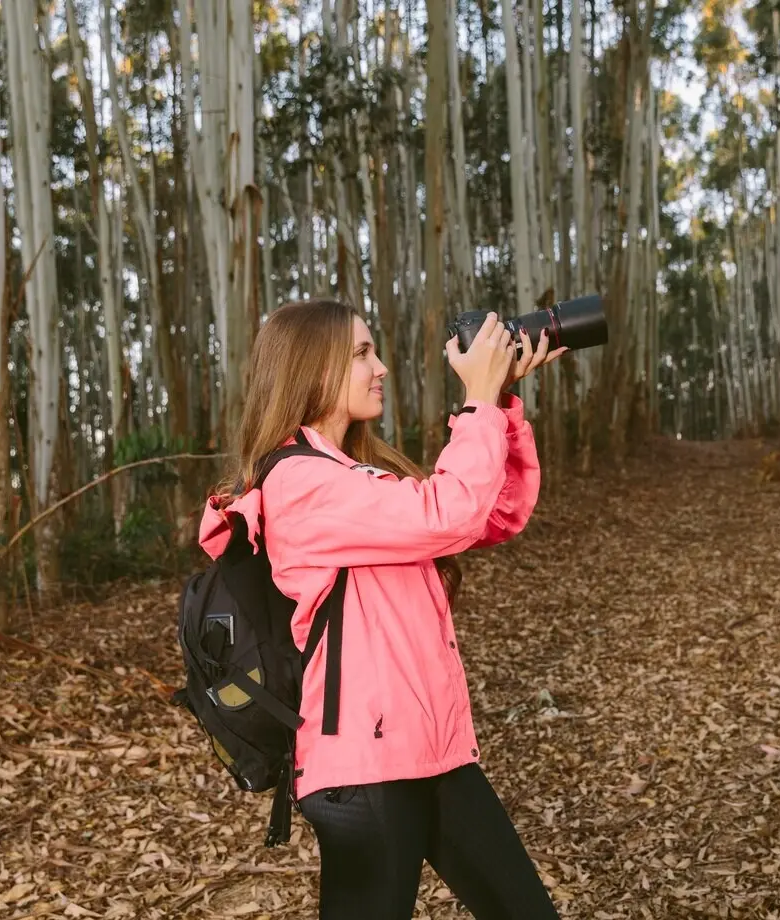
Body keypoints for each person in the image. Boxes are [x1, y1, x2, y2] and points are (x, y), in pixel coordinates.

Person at [197, 298, 566, 920]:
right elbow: (448, 512)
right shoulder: (299, 483)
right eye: (362, 353)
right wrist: (476, 401)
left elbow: (491, 515)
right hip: (364, 769)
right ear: (311, 370)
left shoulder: (355, 475)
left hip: (431, 750)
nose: (382, 367)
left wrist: (498, 404)